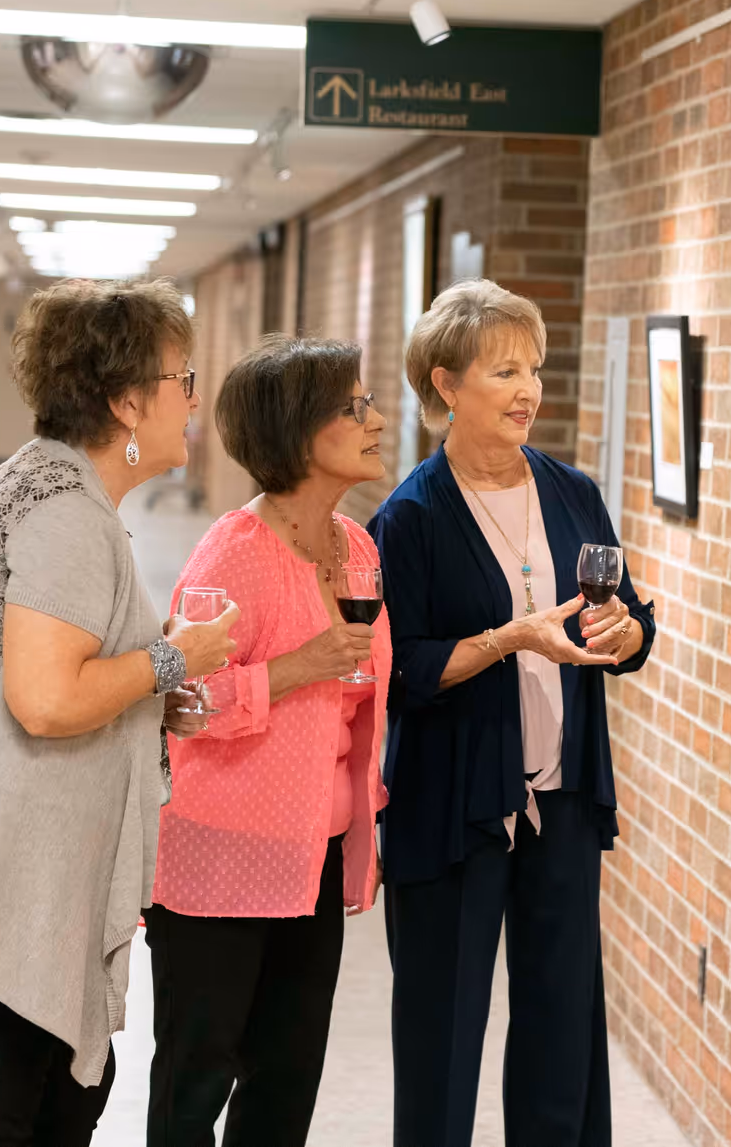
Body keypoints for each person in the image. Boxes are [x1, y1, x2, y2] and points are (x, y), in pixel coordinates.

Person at [0, 278, 240, 1146]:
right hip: (7, 878)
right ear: (125, 400)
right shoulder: (66, 514)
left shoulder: (49, 484)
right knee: (5, 1115)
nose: (192, 399)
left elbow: (70, 671)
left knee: (38, 1107)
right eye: (181, 378)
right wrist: (177, 655)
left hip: (8, 867)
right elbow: (46, 699)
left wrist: (149, 690)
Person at [370, 279, 658, 1147]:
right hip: (452, 809)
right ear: (447, 385)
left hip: (563, 802)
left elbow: (635, 622)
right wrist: (510, 638)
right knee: (442, 1041)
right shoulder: (411, 516)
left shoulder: (572, 492)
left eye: (533, 367)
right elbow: (402, 669)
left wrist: (624, 631)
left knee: (561, 1030)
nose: (529, 388)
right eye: (504, 370)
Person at [145, 336, 390, 1147]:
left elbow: (360, 709)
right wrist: (295, 669)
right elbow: (179, 701)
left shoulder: (358, 550)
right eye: (354, 407)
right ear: (297, 430)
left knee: (286, 1086)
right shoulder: (234, 552)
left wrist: (366, 824)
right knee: (195, 1082)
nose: (377, 419)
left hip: (311, 859)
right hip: (219, 857)